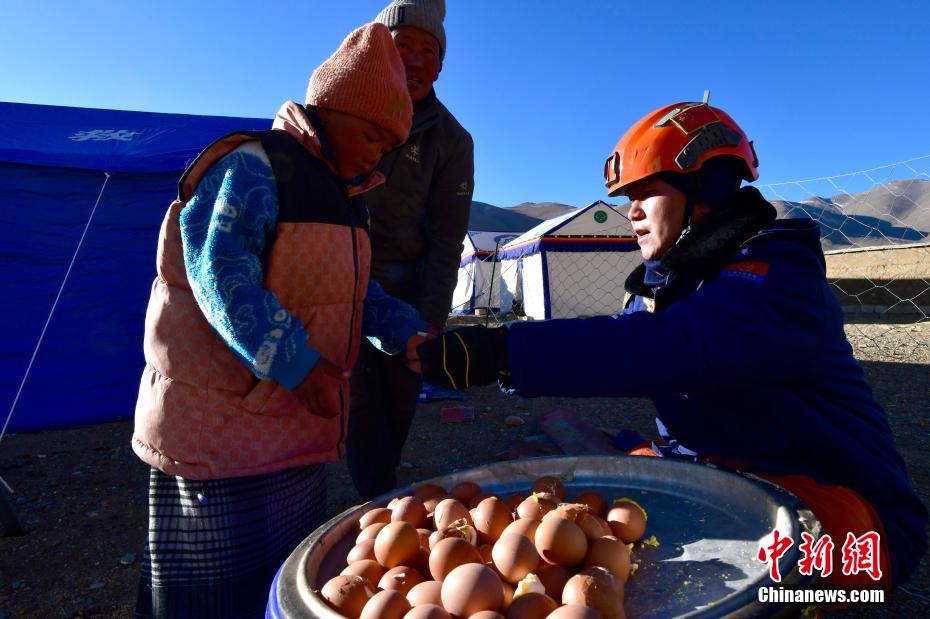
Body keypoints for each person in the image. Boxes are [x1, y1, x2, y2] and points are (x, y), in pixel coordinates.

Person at [412, 101, 927, 595]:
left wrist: (503, 351)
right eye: (626, 198)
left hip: (848, 512)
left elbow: (673, 347)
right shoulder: (670, 286)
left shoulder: (776, 279)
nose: (631, 213)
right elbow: (631, 335)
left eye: (645, 194)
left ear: (705, 190)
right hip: (736, 479)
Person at [131, 24, 430, 618]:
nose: (376, 152)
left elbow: (354, 294)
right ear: (331, 108)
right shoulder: (256, 166)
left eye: (387, 145)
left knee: (278, 572)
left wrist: (403, 330)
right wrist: (294, 361)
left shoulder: (347, 199)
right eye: (370, 133)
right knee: (208, 589)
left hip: (292, 422)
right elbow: (220, 272)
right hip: (217, 423)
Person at [346, 0, 475, 499]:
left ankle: (376, 501)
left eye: (429, 50)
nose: (417, 61)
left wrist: (430, 322)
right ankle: (373, 501)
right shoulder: (344, 116)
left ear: (441, 64)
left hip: (407, 295)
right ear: (379, 53)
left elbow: (447, 239)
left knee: (398, 401)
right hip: (342, 282)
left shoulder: (451, 139)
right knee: (355, 404)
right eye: (403, 47)